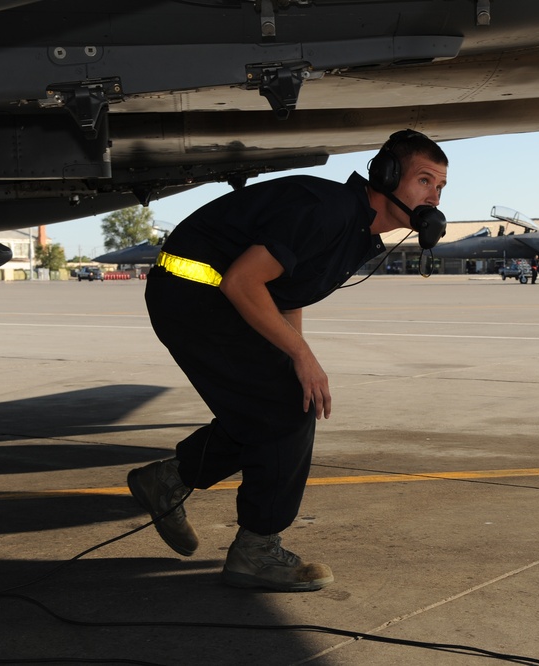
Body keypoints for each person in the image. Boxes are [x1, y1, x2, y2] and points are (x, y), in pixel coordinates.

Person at [126, 129, 448, 592]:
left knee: (282, 400)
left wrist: (293, 360)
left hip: (211, 299)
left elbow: (284, 291)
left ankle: (169, 480)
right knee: (284, 409)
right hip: (195, 295)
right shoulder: (328, 211)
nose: (433, 197)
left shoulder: (355, 229)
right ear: (387, 175)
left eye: (439, 188)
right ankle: (256, 551)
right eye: (424, 181)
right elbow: (242, 282)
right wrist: (301, 357)